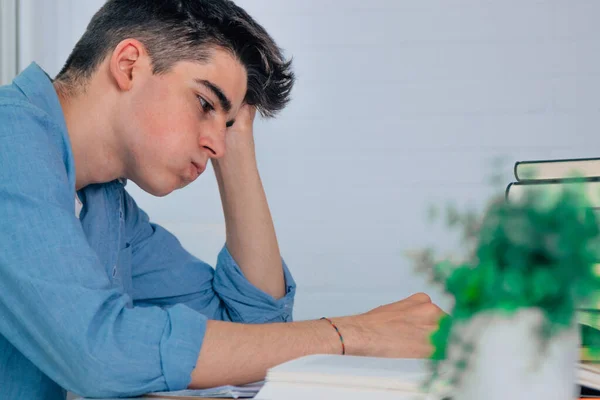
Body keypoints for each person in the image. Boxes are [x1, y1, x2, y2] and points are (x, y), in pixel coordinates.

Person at [0, 0, 444, 399]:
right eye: (204, 103)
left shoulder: (105, 208)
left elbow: (253, 335)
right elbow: (99, 352)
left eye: (228, 123)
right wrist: (351, 334)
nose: (217, 144)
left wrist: (236, 141)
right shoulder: (9, 141)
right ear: (130, 64)